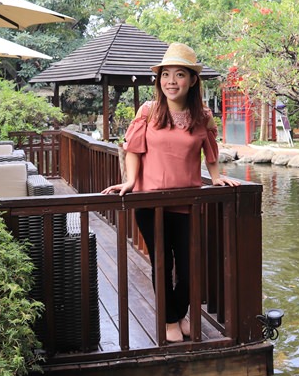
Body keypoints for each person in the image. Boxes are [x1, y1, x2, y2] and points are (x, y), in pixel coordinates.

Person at [102, 43, 240, 343]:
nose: (171, 81)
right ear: (159, 80)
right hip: (150, 203)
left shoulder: (202, 116)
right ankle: (169, 321)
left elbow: (210, 152)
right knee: (162, 263)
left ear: (192, 80)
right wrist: (130, 182)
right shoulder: (149, 112)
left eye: (179, 74)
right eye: (166, 74)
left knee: (191, 266)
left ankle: (179, 313)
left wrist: (216, 179)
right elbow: (133, 150)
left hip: (187, 203)